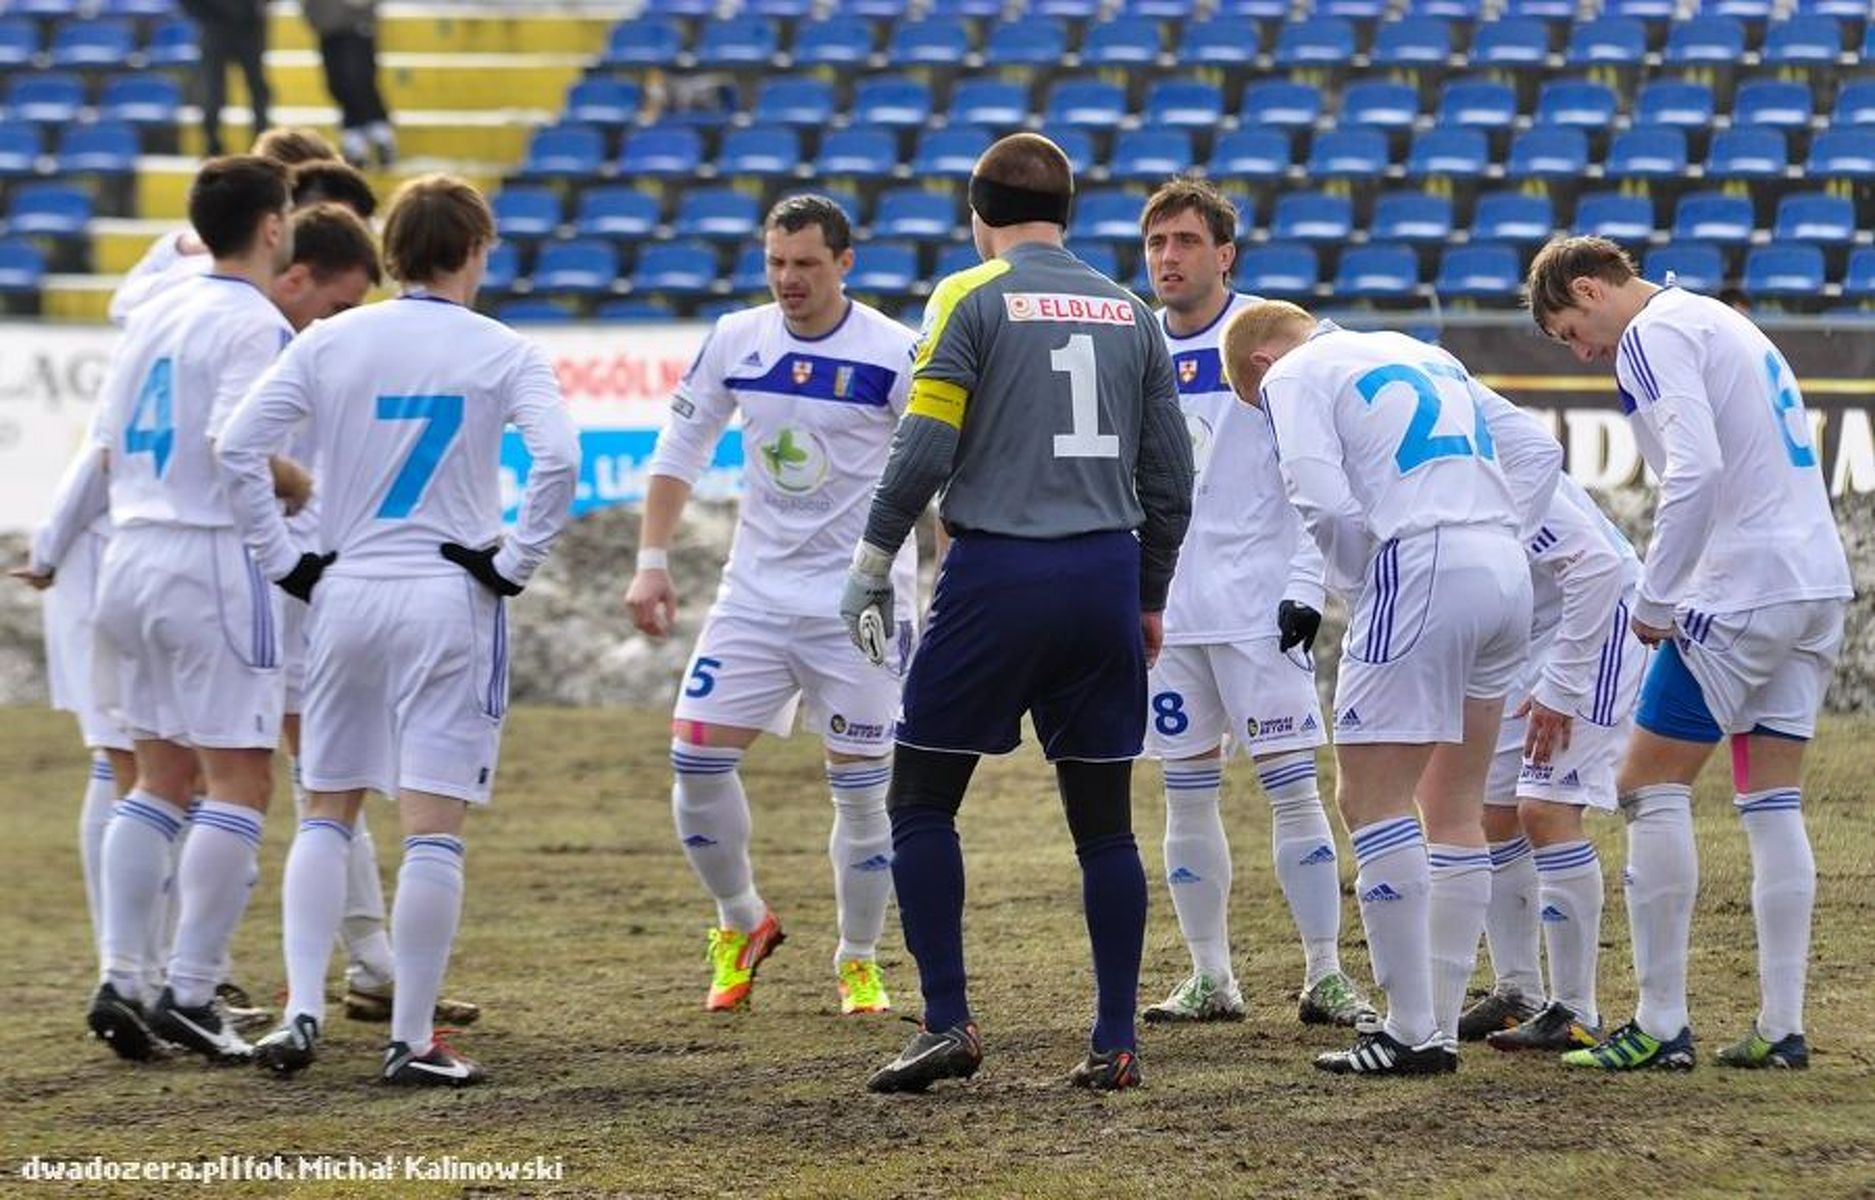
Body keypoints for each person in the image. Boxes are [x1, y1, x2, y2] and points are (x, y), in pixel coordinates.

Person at [847, 133, 1194, 1093]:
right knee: (1105, 824)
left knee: (919, 799)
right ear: (1070, 213)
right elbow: (1170, 479)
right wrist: (1148, 593)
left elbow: (922, 447)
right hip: (1100, 575)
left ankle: (949, 1023)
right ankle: (1116, 1038)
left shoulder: (970, 295)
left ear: (976, 214)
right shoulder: (1131, 312)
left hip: (998, 573)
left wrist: (874, 559)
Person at [219, 174, 579, 1086]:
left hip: (347, 590)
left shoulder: (334, 339)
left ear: (391, 254)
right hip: (445, 593)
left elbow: (234, 445)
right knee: (432, 827)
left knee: (327, 808)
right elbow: (560, 460)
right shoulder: (503, 349)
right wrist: (514, 561)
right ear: (474, 250)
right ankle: (411, 1039)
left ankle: (301, 1012)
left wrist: (282, 560)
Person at [1526, 236, 1853, 1071]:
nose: (1581, 351)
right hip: (1812, 583)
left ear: (1592, 290)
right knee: (1770, 801)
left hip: (1737, 587)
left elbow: (1695, 470)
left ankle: (1661, 1022)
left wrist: (1657, 594)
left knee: (1645, 785)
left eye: (1569, 331)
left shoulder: (1653, 333)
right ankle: (1780, 1027)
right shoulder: (1716, 318)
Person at [1222, 300, 1555, 1075]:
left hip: (1419, 565)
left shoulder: (1292, 373)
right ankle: (1431, 1019)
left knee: (1367, 799)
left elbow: (1316, 493)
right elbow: (1537, 451)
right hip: (1503, 572)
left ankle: (1409, 1029)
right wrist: (1499, 531)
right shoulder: (1419, 351)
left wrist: (1366, 580)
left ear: (1260, 366)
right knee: (1455, 803)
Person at [624, 195, 919, 1016]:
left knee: (860, 791)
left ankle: (857, 959)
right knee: (693, 761)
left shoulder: (896, 353)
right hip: (752, 595)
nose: (789, 280)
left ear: (845, 264)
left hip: (858, 607)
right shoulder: (735, 338)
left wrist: (944, 582)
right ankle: (741, 921)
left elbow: (938, 477)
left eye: (807, 265)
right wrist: (652, 562)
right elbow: (679, 448)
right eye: (777, 263)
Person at [1133, 177, 1372, 1028]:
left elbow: (1322, 469)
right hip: (1167, 613)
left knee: (1291, 788)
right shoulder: (1132, 346)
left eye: (1186, 241)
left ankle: (1323, 974)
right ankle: (1210, 978)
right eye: (1156, 243)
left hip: (1261, 608)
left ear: (1224, 255)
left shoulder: (1281, 339)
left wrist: (1305, 585)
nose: (1168, 258)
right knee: (1184, 793)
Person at [82, 155, 297, 1064]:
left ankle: (123, 978)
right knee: (242, 779)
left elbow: (102, 442)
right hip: (209, 555)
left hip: (129, 548)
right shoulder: (253, 321)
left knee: (156, 776)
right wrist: (294, 502)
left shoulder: (155, 306)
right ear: (275, 226)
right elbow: (234, 446)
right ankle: (193, 989)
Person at [1463, 470, 1646, 1053]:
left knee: (1545, 809)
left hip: (1596, 627)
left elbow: (1599, 565)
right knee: (1491, 813)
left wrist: (1563, 685)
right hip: (1534, 636)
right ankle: (1518, 991)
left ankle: (1576, 1009)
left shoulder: (1494, 463)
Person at [302, 0, 396, 167]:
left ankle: (378, 136)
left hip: (355, 25)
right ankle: (360, 139)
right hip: (328, 27)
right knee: (337, 85)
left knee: (359, 81)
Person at [183, 0, 271, 158]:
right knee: (213, 91)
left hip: (249, 26)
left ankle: (261, 140)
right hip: (214, 25)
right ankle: (212, 143)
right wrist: (201, 14)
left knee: (257, 87)